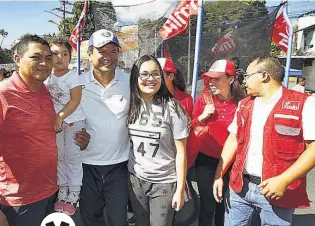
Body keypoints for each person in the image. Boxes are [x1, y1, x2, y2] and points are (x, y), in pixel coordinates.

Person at [213, 57, 315, 226]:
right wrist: (219, 175)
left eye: (247, 75)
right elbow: (233, 139)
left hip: (277, 191)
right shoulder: (244, 104)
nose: (243, 81)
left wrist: (283, 180)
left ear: (264, 76)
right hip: (239, 187)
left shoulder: (304, 103)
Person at [0, 35, 58, 226]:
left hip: (52, 194)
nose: (44, 63)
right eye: (36, 57)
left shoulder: (46, 92)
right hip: (19, 202)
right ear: (17, 59)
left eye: (49, 58)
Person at [75, 29, 130, 226]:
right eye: (101, 51)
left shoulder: (130, 81)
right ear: (89, 54)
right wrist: (76, 134)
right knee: (91, 219)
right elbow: (65, 118)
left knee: (118, 220)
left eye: (113, 51)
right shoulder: (77, 84)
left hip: (120, 165)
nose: (108, 57)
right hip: (86, 166)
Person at [127, 55, 188, 226]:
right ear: (135, 77)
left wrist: (180, 190)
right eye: (144, 74)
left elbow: (181, 153)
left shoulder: (173, 108)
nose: (150, 79)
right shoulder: (131, 104)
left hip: (164, 183)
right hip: (135, 179)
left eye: (155, 74)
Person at [190, 60, 245, 226]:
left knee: (225, 204)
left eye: (216, 78)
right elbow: (189, 128)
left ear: (230, 79)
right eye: (209, 78)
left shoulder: (242, 103)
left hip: (232, 163)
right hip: (205, 160)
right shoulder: (204, 99)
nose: (211, 82)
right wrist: (202, 117)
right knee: (208, 204)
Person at [46, 38, 85, 216]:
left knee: (72, 157)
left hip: (73, 122)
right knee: (59, 157)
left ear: (70, 57)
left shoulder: (73, 76)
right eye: (55, 54)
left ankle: (74, 193)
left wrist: (60, 116)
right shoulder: (48, 78)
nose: (60, 57)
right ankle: (62, 191)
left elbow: (75, 100)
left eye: (64, 54)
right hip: (57, 125)